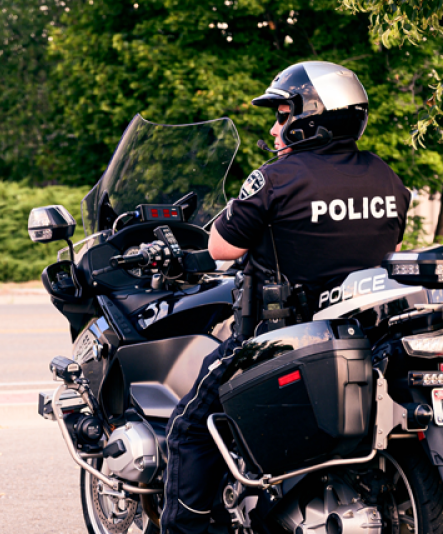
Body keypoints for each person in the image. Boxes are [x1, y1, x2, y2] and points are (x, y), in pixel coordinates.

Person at [160, 61, 411, 534]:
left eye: (281, 115)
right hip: (364, 335)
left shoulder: (276, 178)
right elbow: (387, 247)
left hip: (279, 336)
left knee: (188, 429)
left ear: (309, 116)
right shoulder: (386, 178)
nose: (276, 129)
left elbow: (220, 248)